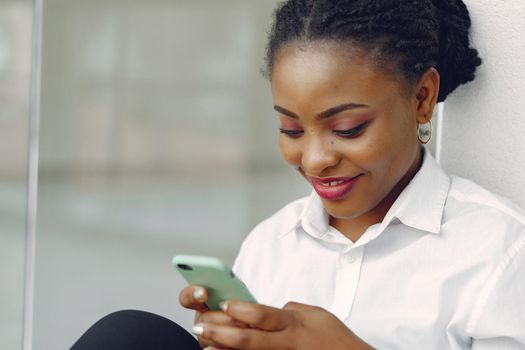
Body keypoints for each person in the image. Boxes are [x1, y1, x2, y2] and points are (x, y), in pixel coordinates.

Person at [72, 0, 525, 349]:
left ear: (422, 98)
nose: (313, 160)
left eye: (347, 128)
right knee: (130, 335)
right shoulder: (272, 244)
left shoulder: (496, 252)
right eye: (290, 128)